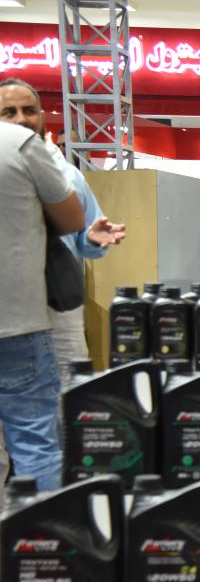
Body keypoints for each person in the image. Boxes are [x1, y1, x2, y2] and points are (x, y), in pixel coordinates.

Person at [0, 78, 127, 386]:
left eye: (29, 110)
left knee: (69, 388)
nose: (21, 119)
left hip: (59, 303)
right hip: (9, 305)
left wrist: (92, 238)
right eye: (9, 112)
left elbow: (83, 236)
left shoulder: (68, 175)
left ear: (42, 116)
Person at [0, 120, 85, 491]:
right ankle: (43, 528)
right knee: (35, 442)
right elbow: (72, 218)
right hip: (18, 323)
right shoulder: (19, 144)